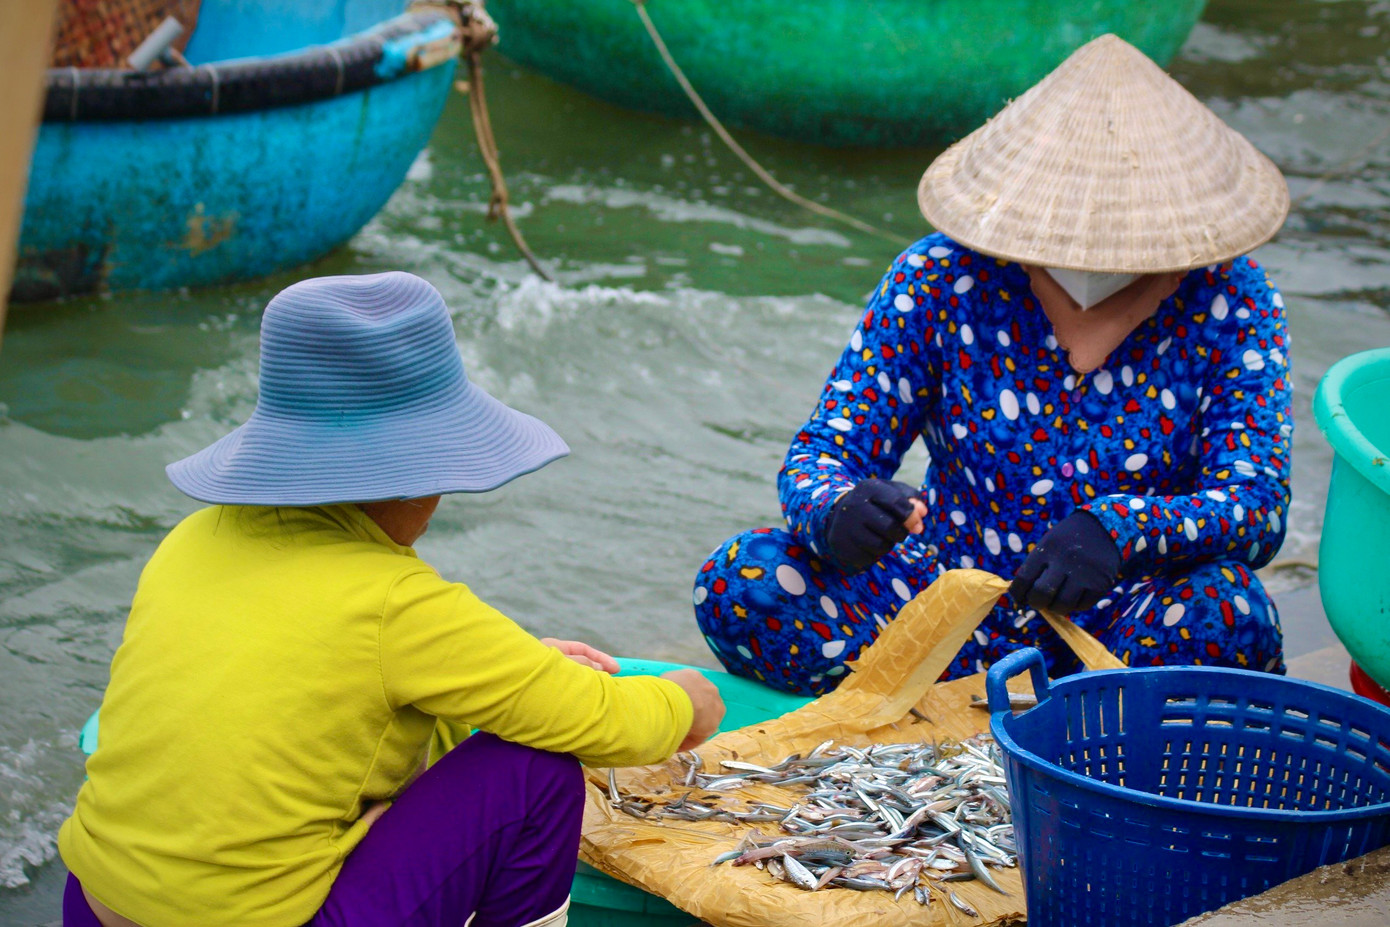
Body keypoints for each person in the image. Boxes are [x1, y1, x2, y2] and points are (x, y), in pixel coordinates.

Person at [58, 272, 726, 927]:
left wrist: (520, 672)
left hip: (93, 901)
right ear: (409, 478)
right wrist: (685, 700)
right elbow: (603, 721)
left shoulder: (192, 538)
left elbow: (325, 682)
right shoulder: (396, 601)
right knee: (533, 770)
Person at [694, 34, 1293, 696]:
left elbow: (1257, 504)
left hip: (1119, 628)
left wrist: (1120, 530)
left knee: (1228, 610)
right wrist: (841, 511)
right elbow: (826, 452)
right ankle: (939, 708)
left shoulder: (1231, 297)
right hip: (943, 606)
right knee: (743, 579)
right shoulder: (942, 276)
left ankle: (1076, 721)